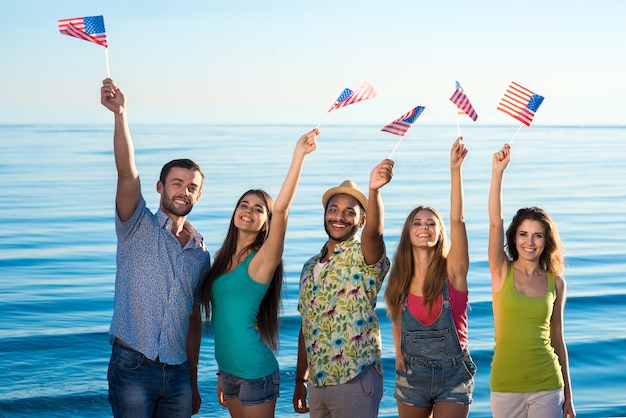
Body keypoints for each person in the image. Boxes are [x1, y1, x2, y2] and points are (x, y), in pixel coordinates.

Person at [101, 78, 211, 418]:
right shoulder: (136, 224)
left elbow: (193, 318)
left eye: (192, 187)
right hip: (132, 365)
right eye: (177, 183)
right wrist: (120, 115)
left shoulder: (200, 252)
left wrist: (192, 378)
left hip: (178, 372)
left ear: (199, 195)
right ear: (161, 187)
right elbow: (126, 171)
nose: (184, 191)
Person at [202, 129, 318, 418]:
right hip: (229, 372)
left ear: (266, 222)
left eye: (257, 209)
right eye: (244, 205)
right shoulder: (221, 257)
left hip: (256, 372)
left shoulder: (262, 260)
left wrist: (298, 157)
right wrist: (221, 373)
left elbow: (282, 212)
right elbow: (226, 319)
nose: (248, 211)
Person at [292, 158, 395, 418]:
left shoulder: (363, 254)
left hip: (354, 376)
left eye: (350, 211)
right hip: (318, 382)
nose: (340, 216)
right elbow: (306, 327)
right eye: (334, 209)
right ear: (325, 214)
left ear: (362, 220)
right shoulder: (309, 266)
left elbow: (376, 233)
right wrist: (300, 380)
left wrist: (374, 191)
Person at [384, 137, 476, 418]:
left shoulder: (453, 273)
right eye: (417, 222)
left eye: (431, 223)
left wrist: (455, 170)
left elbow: (458, 219)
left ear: (439, 232)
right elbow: (398, 317)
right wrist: (399, 354)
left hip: (454, 377)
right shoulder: (399, 278)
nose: (424, 227)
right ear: (408, 232)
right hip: (412, 377)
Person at [488, 143, 575, 418]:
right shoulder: (501, 271)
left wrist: (569, 399)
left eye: (537, 235)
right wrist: (497, 173)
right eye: (523, 234)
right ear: (514, 238)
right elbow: (494, 223)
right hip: (505, 385)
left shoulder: (556, 283)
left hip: (548, 383)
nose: (530, 241)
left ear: (546, 240)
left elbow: (558, 341)